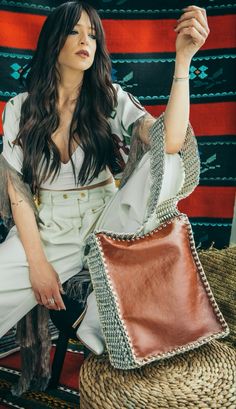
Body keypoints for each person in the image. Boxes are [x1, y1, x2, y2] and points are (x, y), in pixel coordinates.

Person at [0, 0, 209, 392]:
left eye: (93, 34)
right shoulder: (18, 109)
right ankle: (94, 315)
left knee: (165, 165)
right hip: (48, 228)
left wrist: (182, 62)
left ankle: (96, 317)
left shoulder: (109, 99)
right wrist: (38, 264)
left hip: (110, 217)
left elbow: (171, 141)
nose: (86, 41)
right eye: (75, 31)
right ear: (53, 42)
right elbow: (19, 193)